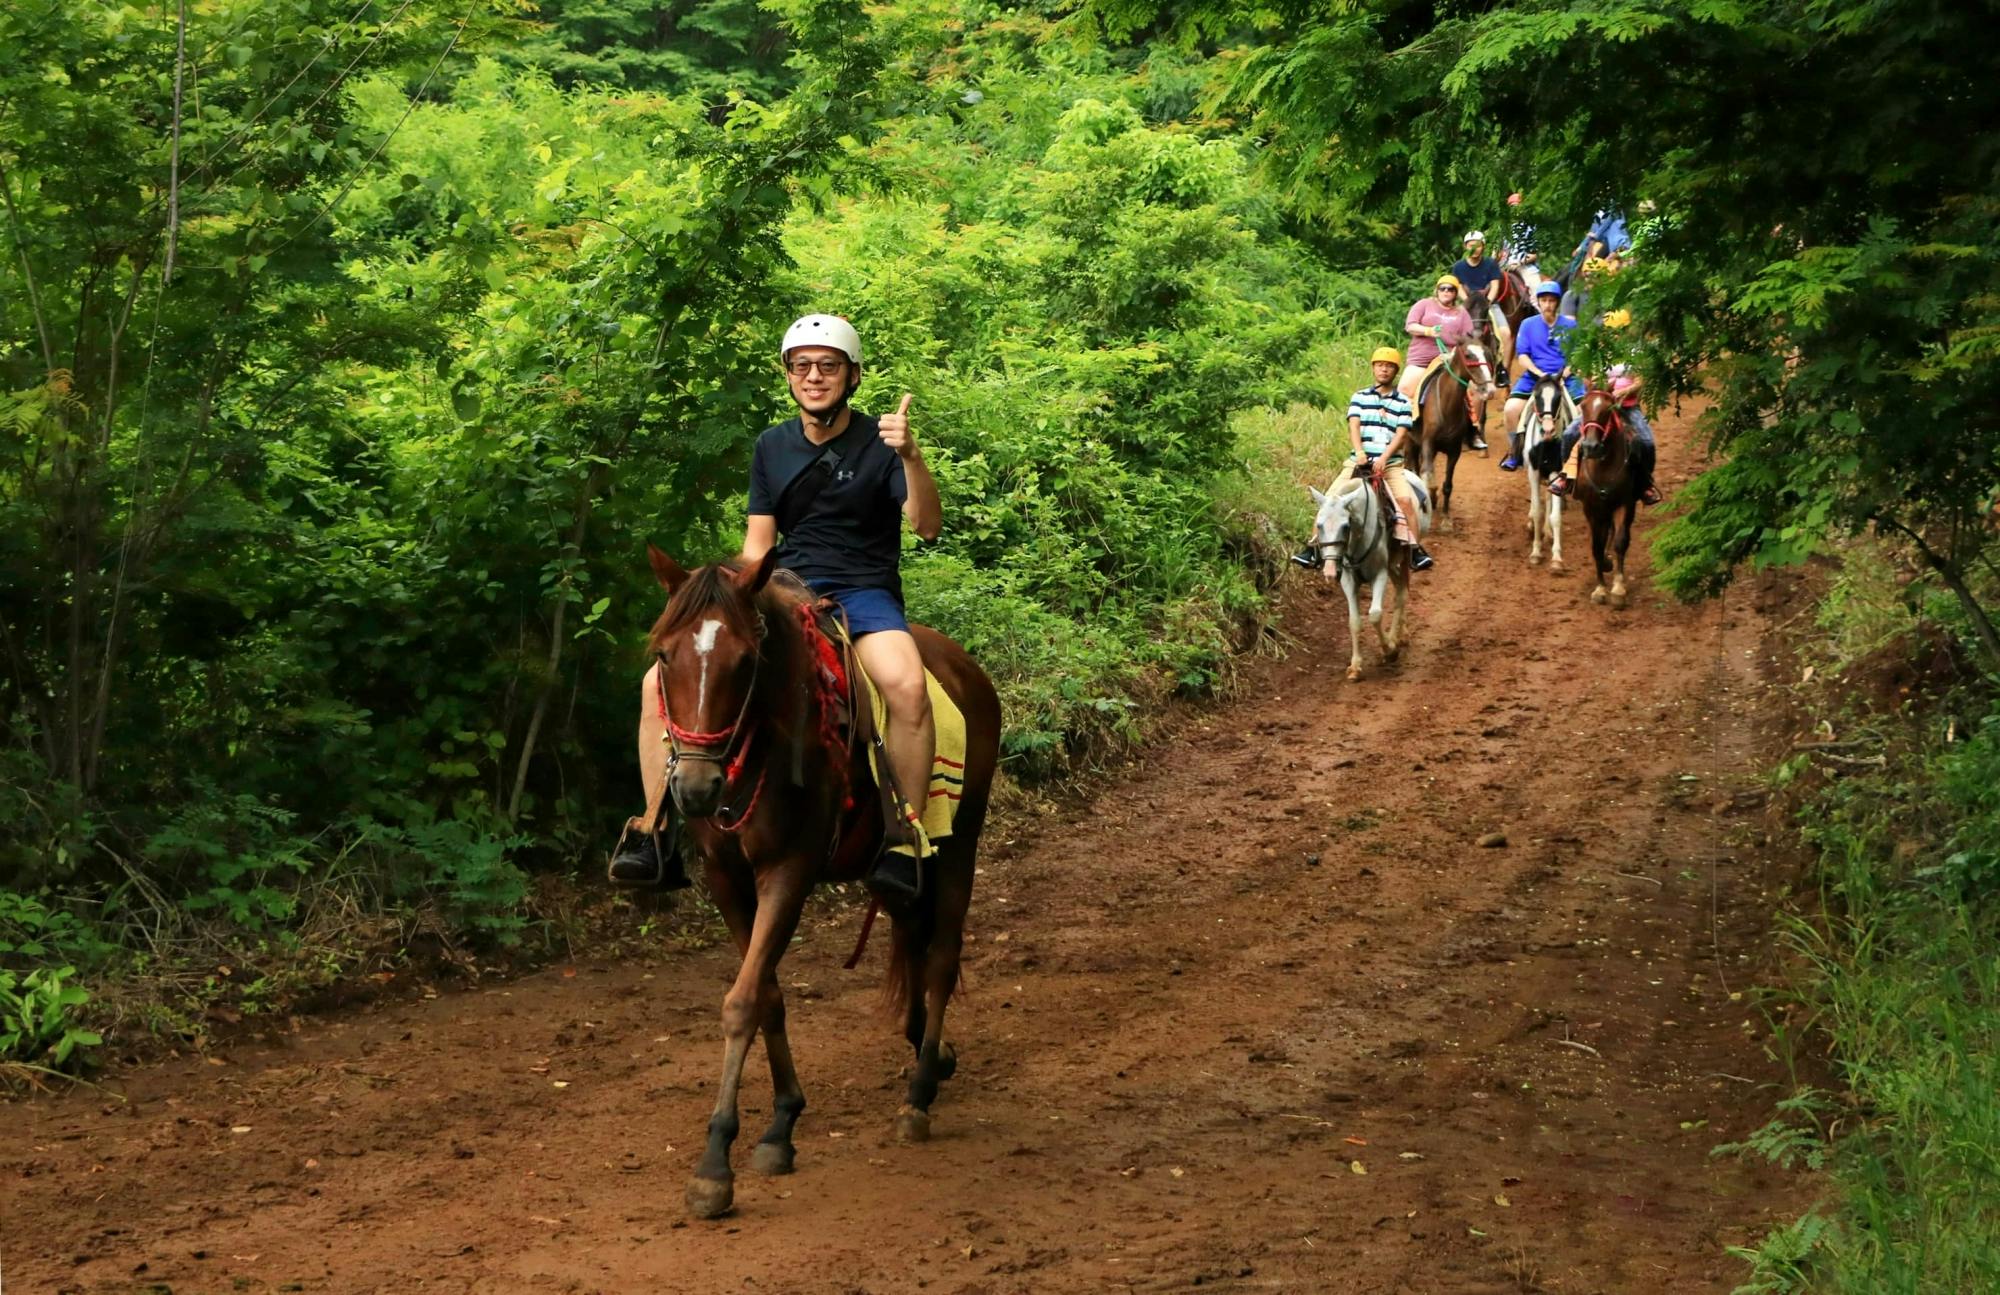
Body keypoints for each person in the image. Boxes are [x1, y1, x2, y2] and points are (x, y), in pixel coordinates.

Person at [610, 314, 943, 905]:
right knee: (652, 686)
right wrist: (730, 591)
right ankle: (653, 828)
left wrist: (911, 456)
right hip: (786, 585)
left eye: (828, 366)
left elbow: (926, 526)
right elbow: (759, 543)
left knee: (907, 688)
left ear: (853, 376)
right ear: (789, 374)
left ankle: (904, 840)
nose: (815, 377)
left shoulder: (883, 443)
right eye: (803, 366)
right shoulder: (772, 445)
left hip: (863, 592)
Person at [1292, 347, 1435, 572]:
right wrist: (1359, 453)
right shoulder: (1359, 396)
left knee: (1405, 501)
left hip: (1390, 465)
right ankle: (1313, 549)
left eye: (1389, 366)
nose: (1384, 370)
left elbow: (1401, 434)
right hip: (1357, 462)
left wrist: (1384, 458)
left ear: (1395, 371)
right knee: (1329, 499)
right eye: (1380, 365)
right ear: (1373, 368)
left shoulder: (1402, 402)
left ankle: (1414, 550)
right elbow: (1354, 425)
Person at [1498, 281, 1585, 471]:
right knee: (1511, 409)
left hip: (1566, 377)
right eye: (1544, 300)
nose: (1547, 304)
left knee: (1583, 411)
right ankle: (1516, 451)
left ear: (1557, 303)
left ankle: (1580, 453)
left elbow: (1577, 356)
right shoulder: (1527, 325)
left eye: (1552, 300)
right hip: (1534, 376)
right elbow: (1522, 356)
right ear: (1538, 302)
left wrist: (1564, 374)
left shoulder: (1571, 325)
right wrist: (1540, 374)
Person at [1546, 364, 1662, 505]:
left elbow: (1640, 380)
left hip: (1627, 406)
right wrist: (1593, 383)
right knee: (1569, 434)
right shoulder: (1598, 346)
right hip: (1599, 406)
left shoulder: (1634, 348)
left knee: (1646, 441)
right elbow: (1586, 377)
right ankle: (1566, 476)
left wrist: (1624, 390)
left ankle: (1645, 484)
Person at [1400, 274, 1482, 448]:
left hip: (1449, 361)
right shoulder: (1424, 305)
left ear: (1455, 293)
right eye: (1442, 288)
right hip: (1421, 360)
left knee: (1474, 392)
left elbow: (1468, 339)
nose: (1446, 292)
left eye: (1450, 289)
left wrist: (1454, 351)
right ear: (1437, 290)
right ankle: (1400, 430)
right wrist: (1428, 331)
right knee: (1404, 389)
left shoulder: (1461, 312)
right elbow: (1411, 325)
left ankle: (1473, 430)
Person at [1451, 231, 1509, 443]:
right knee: (1452, 328)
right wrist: (1468, 302)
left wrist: (1487, 301)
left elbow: (1495, 285)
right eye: (1470, 244)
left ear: (1483, 247)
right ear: (1466, 246)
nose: (1474, 248)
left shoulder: (1491, 265)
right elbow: (1457, 286)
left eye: (1478, 244)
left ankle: (1502, 368)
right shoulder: (1458, 267)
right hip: (1467, 304)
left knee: (1504, 332)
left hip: (1487, 304)